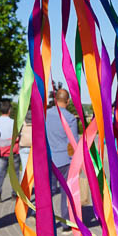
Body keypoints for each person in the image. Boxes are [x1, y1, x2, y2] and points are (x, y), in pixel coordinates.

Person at [44, 87, 80, 226]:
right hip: (64, 159)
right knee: (66, 191)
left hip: (48, 158)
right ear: (68, 101)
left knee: (48, 191)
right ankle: (66, 222)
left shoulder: (45, 114)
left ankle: (46, 221)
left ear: (55, 99)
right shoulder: (70, 118)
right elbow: (73, 142)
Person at [0, 100, 19, 202]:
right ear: (9, 110)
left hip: (0, 152)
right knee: (15, 173)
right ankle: (14, 193)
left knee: (1, 173)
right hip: (13, 152)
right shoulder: (13, 122)